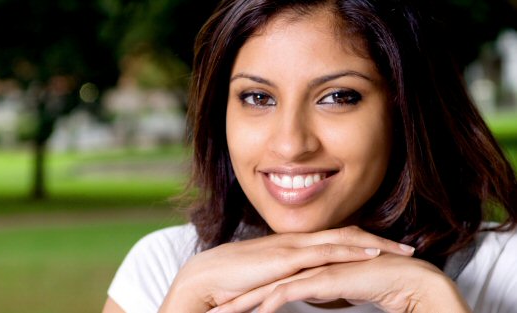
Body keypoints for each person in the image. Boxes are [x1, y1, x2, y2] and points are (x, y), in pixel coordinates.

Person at [102, 0, 517, 312]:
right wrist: (186, 301)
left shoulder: (504, 272)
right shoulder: (166, 269)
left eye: (337, 97)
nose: (290, 143)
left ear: (404, 110)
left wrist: (431, 298)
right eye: (258, 97)